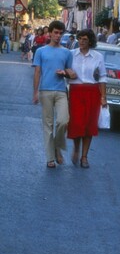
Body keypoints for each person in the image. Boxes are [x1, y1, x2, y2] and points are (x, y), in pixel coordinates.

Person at [32, 20, 75, 168]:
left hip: (61, 90)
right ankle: (50, 158)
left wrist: (65, 73)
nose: (58, 36)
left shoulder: (67, 52)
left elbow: (71, 72)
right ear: (49, 33)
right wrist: (35, 92)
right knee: (48, 125)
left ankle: (57, 147)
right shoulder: (41, 51)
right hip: (45, 90)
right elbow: (37, 72)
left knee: (63, 121)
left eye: (60, 33)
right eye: (55, 33)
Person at [66, 29, 107, 168]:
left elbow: (102, 77)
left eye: (85, 39)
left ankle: (84, 156)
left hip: (92, 91)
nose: (82, 42)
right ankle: (76, 149)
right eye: (80, 39)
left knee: (89, 124)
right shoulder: (71, 55)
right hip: (76, 91)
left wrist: (103, 97)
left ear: (90, 41)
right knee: (77, 123)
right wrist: (67, 73)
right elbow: (63, 70)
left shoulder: (97, 56)